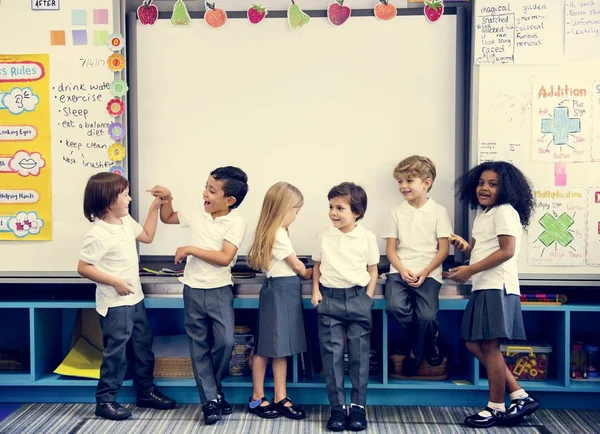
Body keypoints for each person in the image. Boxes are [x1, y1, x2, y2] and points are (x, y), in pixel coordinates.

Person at [148, 166, 249, 425]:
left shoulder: (236, 222)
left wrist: (191, 248)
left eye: (212, 190)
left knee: (226, 342)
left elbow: (225, 258)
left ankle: (213, 392)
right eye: (206, 186)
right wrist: (167, 200)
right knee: (198, 346)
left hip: (219, 290)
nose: (205, 193)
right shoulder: (196, 212)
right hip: (192, 289)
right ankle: (210, 402)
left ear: (229, 201)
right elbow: (168, 217)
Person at [78, 172, 176, 421]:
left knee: (143, 347)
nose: (130, 199)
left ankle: (145, 392)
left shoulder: (124, 222)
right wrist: (115, 282)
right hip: (115, 304)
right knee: (117, 353)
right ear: (108, 200)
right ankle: (106, 400)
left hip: (134, 299)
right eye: (125, 195)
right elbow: (84, 267)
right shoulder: (98, 234)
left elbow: (147, 236)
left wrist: (156, 207)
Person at [449, 161, 540, 428]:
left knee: (489, 347)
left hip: (496, 286)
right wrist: (464, 248)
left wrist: (469, 270)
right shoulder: (484, 214)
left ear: (506, 188)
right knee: (474, 344)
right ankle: (520, 395)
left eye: (492, 184)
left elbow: (506, 250)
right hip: (483, 284)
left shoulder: (504, 211)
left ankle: (495, 407)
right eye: (481, 183)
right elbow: (481, 250)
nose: (484, 188)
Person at [311, 182, 379, 432]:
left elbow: (373, 270)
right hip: (328, 298)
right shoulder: (323, 234)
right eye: (331, 207)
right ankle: (337, 408)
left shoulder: (367, 237)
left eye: (340, 208)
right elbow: (317, 266)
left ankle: (358, 408)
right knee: (332, 356)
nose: (333, 213)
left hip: (357, 298)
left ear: (357, 212)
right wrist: (316, 292)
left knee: (360, 357)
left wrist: (367, 298)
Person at [247, 182, 313, 420]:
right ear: (283, 208)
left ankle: (279, 397)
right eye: (295, 210)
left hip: (284, 291)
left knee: (280, 348)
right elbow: (299, 268)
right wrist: (319, 269)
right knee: (267, 347)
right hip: (280, 292)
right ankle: (257, 397)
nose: (296, 215)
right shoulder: (277, 234)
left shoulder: (276, 232)